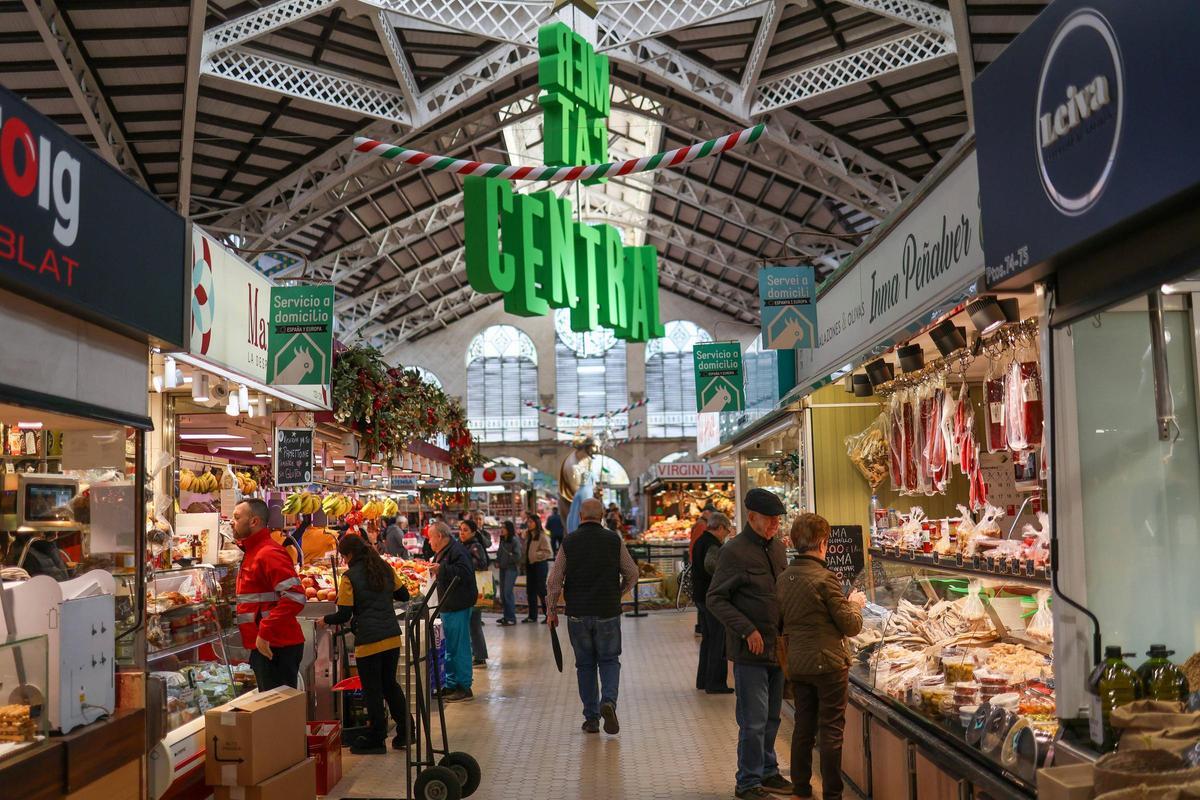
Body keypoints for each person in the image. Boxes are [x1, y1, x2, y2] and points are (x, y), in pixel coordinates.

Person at [707, 489, 793, 800]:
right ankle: (747, 782)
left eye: (778, 519)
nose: (775, 524)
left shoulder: (779, 549)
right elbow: (715, 598)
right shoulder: (734, 552)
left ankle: (769, 773)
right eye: (770, 519)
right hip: (750, 652)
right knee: (753, 721)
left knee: (772, 718)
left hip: (777, 649)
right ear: (752, 516)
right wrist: (747, 630)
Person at [779, 513, 867, 800]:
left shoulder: (784, 577)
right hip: (828, 664)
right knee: (831, 731)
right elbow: (851, 626)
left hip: (798, 663)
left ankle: (801, 789)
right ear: (821, 542)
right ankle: (832, 794)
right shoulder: (825, 578)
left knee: (803, 727)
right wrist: (855, 604)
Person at [547, 498, 639, 735]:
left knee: (585, 665)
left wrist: (551, 611)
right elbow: (632, 572)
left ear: (580, 516)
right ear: (601, 516)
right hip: (607, 611)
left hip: (577, 613)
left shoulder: (569, 542)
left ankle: (591, 719)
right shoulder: (613, 540)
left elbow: (555, 580)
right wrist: (618, 593)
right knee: (609, 660)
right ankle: (608, 701)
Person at [318, 534, 412, 754]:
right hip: (390, 637)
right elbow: (404, 594)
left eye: (343, 556)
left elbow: (344, 614)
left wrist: (325, 620)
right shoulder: (384, 567)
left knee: (373, 691)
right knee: (390, 686)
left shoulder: (350, 577)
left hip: (369, 642)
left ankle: (377, 738)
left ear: (349, 555)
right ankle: (407, 732)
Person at [232, 498, 306, 691]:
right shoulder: (253, 552)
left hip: (275, 645)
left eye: (237, 517)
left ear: (254, 522)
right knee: (273, 711)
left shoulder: (268, 553)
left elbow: (295, 596)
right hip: (266, 644)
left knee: (277, 713)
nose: (232, 522)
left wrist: (265, 631)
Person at [428, 521, 478, 702]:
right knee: (450, 648)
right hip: (449, 605)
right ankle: (451, 684)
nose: (429, 541)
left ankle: (464, 687)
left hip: (458, 605)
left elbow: (464, 573)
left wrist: (441, 569)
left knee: (459, 647)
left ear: (440, 536)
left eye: (430, 537)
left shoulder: (457, 551)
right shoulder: (446, 551)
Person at [693, 510, 733, 694]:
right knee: (718, 639)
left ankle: (703, 679)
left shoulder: (701, 540)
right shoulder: (712, 544)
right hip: (712, 596)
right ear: (720, 527)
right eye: (727, 530)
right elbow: (712, 565)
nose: (727, 534)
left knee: (708, 640)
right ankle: (715, 683)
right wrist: (724, 578)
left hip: (701, 595)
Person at [458, 520, 490, 667]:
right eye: (460, 530)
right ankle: (477, 654)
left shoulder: (475, 546)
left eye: (465, 530)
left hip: (476, 590)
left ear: (473, 532)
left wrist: (465, 562)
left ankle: (480, 656)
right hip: (467, 590)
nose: (462, 533)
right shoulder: (463, 545)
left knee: (474, 624)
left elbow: (482, 564)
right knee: (471, 624)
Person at [522, 511, 553, 623]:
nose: (528, 524)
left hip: (540, 565)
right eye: (528, 521)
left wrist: (535, 555)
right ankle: (532, 616)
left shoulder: (542, 536)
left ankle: (548, 615)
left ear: (536, 523)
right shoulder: (529, 536)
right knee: (530, 591)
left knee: (541, 591)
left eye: (531, 522)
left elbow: (548, 552)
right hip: (530, 566)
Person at [689, 506, 714, 634]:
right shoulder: (702, 526)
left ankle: (700, 627)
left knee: (701, 601)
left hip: (696, 565)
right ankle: (701, 627)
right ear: (707, 513)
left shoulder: (701, 524)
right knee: (702, 600)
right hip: (699, 567)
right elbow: (696, 545)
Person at [495, 520, 523, 626]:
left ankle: (511, 617)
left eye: (504, 527)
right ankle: (506, 616)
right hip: (503, 569)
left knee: (507, 593)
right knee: (502, 593)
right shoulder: (503, 541)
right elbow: (499, 553)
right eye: (501, 527)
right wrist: (498, 561)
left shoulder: (514, 541)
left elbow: (517, 556)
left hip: (511, 569)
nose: (501, 529)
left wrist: (506, 560)